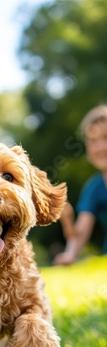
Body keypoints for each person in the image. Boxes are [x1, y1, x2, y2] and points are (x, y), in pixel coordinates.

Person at [54, 104, 107, 265]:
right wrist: (70, 254)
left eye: (106, 138)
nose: (100, 147)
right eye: (92, 141)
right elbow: (82, 232)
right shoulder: (94, 187)